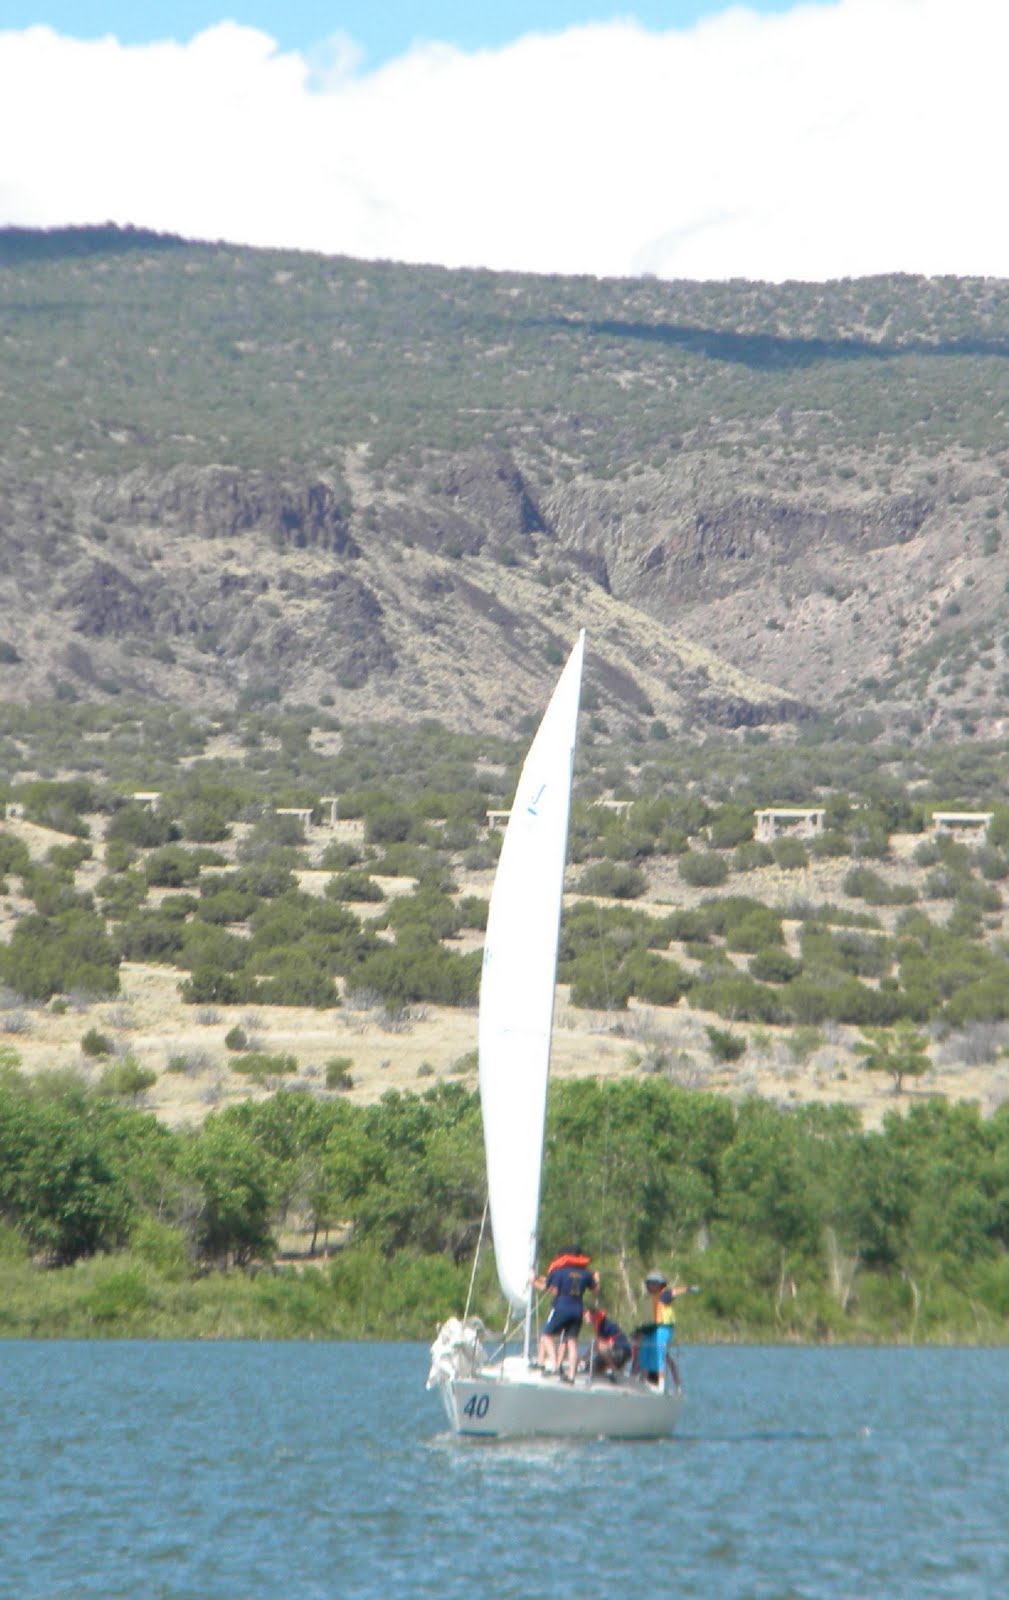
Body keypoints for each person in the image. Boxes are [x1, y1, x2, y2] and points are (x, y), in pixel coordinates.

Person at [530, 1246, 599, 1382]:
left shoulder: (558, 1271)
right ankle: (571, 1376)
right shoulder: (586, 1274)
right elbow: (596, 1291)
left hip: (562, 1308)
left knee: (546, 1336)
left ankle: (555, 1366)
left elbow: (552, 1290)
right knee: (572, 1342)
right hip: (577, 1310)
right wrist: (597, 1280)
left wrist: (533, 1281)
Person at [635, 1269, 697, 1390]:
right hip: (649, 1328)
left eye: (655, 1283)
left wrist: (688, 1288)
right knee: (644, 1354)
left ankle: (660, 1384)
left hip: (663, 1327)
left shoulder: (664, 1295)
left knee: (658, 1354)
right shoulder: (647, 1298)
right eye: (649, 1283)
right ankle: (643, 1382)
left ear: (660, 1285)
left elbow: (675, 1292)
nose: (651, 1285)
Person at [583, 1306, 632, 1381]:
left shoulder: (605, 1325)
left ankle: (614, 1370)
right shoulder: (599, 1325)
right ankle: (612, 1371)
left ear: (594, 1315)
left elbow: (599, 1345)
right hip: (613, 1352)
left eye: (587, 1316)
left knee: (599, 1346)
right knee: (592, 1367)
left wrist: (585, 1357)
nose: (585, 1318)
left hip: (621, 1352)